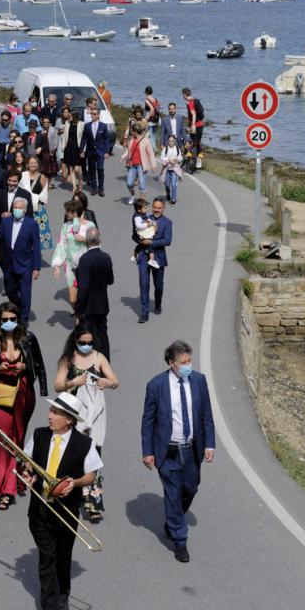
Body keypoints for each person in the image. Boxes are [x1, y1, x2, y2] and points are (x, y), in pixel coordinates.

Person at [24, 393, 102, 610]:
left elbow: (92, 474)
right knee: (47, 558)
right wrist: (28, 473)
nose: (50, 416)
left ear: (69, 419)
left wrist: (75, 483)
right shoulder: (39, 435)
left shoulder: (84, 444)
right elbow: (27, 459)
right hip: (39, 509)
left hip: (66, 512)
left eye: (56, 413)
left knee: (63, 554)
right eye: (51, 411)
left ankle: (63, 592)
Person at [140, 341, 216, 563]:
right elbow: (148, 422)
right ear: (172, 363)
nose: (188, 365)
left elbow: (207, 416)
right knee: (173, 493)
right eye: (183, 362)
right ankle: (180, 540)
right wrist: (148, 451)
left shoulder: (199, 381)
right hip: (169, 452)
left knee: (190, 489)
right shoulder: (156, 386)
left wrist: (209, 445)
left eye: (189, 361)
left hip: (192, 449)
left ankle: (173, 519)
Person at [0, 300, 46, 509]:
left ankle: (13, 477)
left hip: (23, 394)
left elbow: (39, 365)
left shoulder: (28, 339)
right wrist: (0, 367)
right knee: (2, 440)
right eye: (5, 320)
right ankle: (6, 490)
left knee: (17, 438)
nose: (9, 323)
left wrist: (27, 370)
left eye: (13, 319)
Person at [55, 323, 119, 523]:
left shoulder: (99, 358)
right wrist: (73, 383)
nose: (86, 346)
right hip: (72, 416)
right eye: (83, 342)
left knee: (93, 458)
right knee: (72, 456)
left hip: (95, 416)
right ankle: (68, 495)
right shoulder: (68, 359)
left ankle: (93, 504)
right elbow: (58, 385)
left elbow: (115, 380)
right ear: (75, 341)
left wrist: (108, 383)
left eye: (90, 342)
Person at [0, 192, 42, 322]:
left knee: (25, 293)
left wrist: (36, 267)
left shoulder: (31, 224)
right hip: (9, 263)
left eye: (20, 208)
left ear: (25, 210)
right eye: (15, 207)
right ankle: (18, 308)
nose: (17, 210)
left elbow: (36, 246)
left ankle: (23, 320)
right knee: (10, 290)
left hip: (25, 264)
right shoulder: (5, 221)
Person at [72, 226, 114, 356]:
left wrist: (79, 309)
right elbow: (110, 280)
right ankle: (105, 361)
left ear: (86, 241)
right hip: (102, 304)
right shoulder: (106, 257)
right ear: (99, 240)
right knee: (102, 334)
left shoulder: (85, 259)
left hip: (89, 307)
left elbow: (83, 287)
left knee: (88, 336)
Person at [136, 197, 172, 324]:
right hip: (143, 256)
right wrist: (140, 239)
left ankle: (158, 303)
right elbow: (134, 235)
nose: (156, 210)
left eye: (159, 208)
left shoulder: (167, 222)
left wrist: (151, 242)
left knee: (158, 285)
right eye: (155, 207)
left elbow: (167, 241)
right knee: (144, 283)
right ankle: (144, 312)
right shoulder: (145, 219)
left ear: (163, 208)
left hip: (158, 257)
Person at [23, 154, 52, 252]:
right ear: (27, 164)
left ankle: (36, 253)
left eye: (35, 163)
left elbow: (44, 193)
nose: (33, 164)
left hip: (37, 208)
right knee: (25, 232)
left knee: (38, 232)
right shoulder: (23, 176)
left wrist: (34, 198)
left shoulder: (42, 177)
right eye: (31, 163)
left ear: (38, 164)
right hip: (24, 207)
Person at [83, 104, 112, 197]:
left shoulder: (103, 126)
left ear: (98, 115)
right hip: (90, 151)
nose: (92, 115)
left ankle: (101, 188)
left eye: (94, 114)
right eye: (91, 114)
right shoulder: (87, 126)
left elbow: (106, 140)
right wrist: (81, 150)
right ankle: (94, 188)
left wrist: (107, 152)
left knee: (100, 169)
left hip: (100, 152)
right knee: (92, 170)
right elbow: (84, 139)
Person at [123, 120, 155, 202]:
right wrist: (122, 157)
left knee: (142, 184)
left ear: (135, 131)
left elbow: (151, 154)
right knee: (129, 183)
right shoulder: (131, 140)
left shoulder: (146, 141)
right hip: (132, 165)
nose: (131, 133)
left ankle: (142, 202)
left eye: (132, 131)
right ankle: (133, 195)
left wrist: (153, 165)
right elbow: (129, 151)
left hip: (141, 166)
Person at [59, 106, 85, 194]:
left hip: (77, 148)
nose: (69, 116)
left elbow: (84, 138)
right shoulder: (67, 123)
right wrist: (63, 146)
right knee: (71, 168)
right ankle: (74, 187)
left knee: (77, 169)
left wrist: (83, 150)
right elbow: (64, 136)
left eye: (71, 115)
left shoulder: (82, 124)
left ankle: (80, 182)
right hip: (69, 147)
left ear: (76, 116)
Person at [159, 134, 184, 204]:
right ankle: (168, 193)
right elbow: (162, 157)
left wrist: (176, 159)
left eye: (172, 141)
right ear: (167, 141)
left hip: (175, 169)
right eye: (169, 141)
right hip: (167, 169)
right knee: (167, 184)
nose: (171, 142)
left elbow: (180, 157)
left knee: (173, 184)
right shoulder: (165, 149)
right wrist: (168, 160)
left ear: (175, 141)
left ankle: (173, 199)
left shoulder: (177, 148)